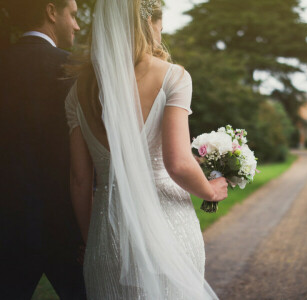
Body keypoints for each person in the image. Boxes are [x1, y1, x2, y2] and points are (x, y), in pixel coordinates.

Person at [64, 0, 227, 298]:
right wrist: (211, 190)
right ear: (149, 21)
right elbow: (177, 163)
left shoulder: (78, 90)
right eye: (160, 21)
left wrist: (92, 242)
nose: (162, 29)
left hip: (105, 235)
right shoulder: (173, 77)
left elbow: (78, 179)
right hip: (168, 227)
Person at [0, 0, 86, 299]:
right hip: (64, 224)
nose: (76, 25)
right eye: (73, 15)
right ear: (51, 12)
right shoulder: (72, 70)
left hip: (6, 227)